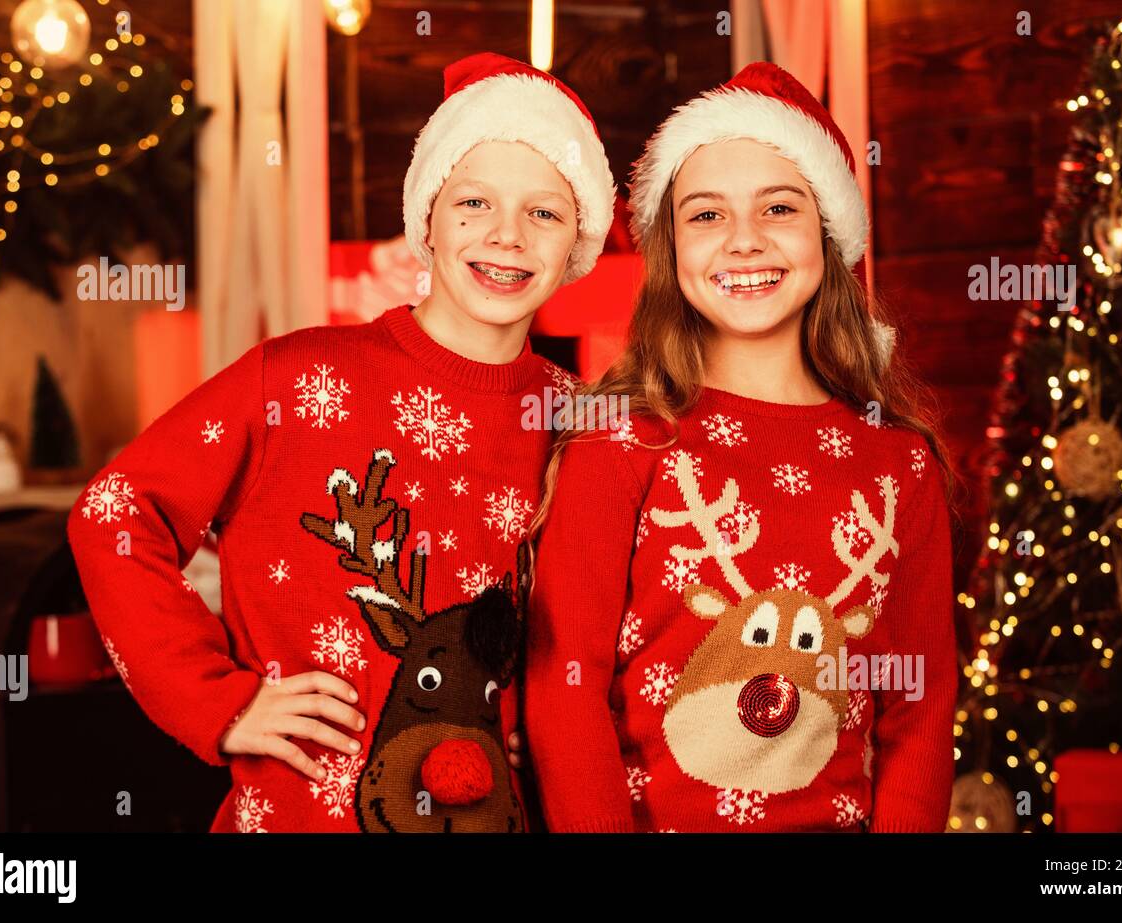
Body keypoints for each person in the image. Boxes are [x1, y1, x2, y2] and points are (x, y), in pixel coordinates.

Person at [68, 52, 615, 832]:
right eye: (473, 202)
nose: (507, 235)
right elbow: (115, 512)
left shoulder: (578, 423)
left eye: (545, 213)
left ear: (578, 244)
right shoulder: (295, 380)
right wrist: (219, 698)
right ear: (426, 217)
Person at [524, 62, 959, 832]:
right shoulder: (620, 439)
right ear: (670, 248)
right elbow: (565, 686)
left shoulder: (899, 461)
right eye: (706, 215)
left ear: (828, 233)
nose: (745, 240)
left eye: (779, 207)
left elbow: (919, 707)